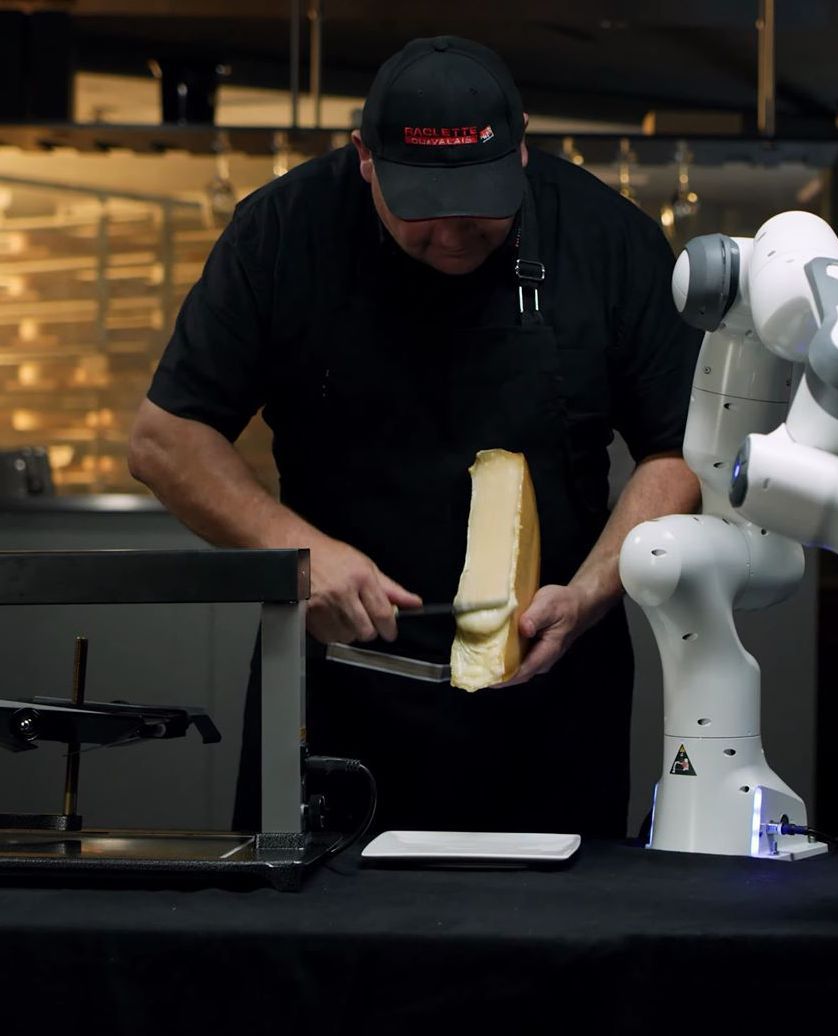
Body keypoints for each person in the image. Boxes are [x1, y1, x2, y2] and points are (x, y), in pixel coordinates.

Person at [128, 35, 701, 837]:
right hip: (339, 692)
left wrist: (593, 592)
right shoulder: (282, 233)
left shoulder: (610, 241)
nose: (455, 236)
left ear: (522, 148)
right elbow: (165, 438)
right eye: (423, 213)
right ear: (365, 160)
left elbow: (678, 452)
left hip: (550, 692)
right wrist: (299, 554)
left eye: (482, 208)